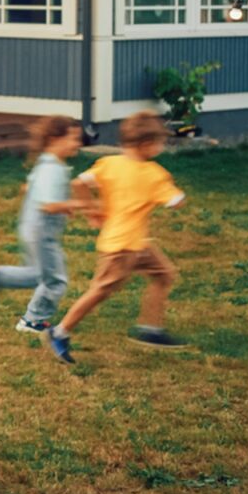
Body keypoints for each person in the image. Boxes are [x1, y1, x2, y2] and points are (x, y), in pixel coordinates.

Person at [45, 111, 187, 363]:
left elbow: (79, 183)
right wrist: (176, 194)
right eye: (159, 142)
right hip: (123, 248)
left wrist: (91, 212)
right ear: (146, 144)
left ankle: (151, 330)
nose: (161, 147)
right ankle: (59, 332)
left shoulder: (109, 163)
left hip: (135, 243)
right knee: (100, 290)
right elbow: (176, 202)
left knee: (164, 274)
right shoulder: (154, 174)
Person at [0, 116, 83, 334]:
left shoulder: (45, 163)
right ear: (53, 139)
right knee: (55, 281)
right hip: (43, 233)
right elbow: (49, 205)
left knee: (36, 274)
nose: (77, 144)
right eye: (73, 138)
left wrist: (62, 205)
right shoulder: (53, 169)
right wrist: (77, 204)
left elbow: (27, 189)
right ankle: (33, 320)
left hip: (31, 227)